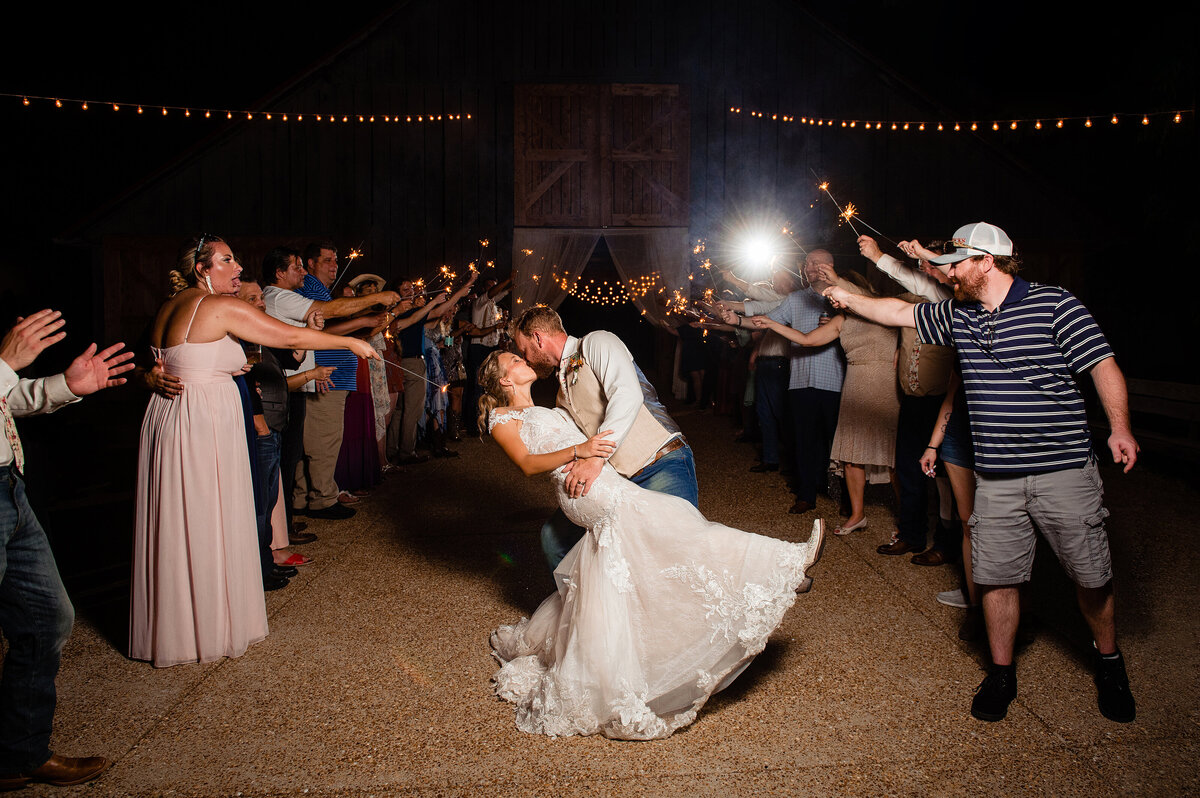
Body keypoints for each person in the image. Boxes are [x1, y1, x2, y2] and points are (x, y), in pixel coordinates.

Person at [824, 221, 1138, 724]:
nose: (947, 273)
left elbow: (1102, 365)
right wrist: (843, 294)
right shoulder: (960, 315)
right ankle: (1000, 673)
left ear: (986, 262)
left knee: (1091, 576)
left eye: (956, 263)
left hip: (1064, 469)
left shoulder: (1055, 304)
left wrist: (1119, 428)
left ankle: (1109, 661)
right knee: (996, 579)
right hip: (996, 476)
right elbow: (900, 311)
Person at [478, 351, 827, 739]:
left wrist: (593, 452)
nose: (523, 358)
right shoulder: (502, 418)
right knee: (678, 527)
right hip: (585, 492)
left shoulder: (549, 408)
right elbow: (527, 463)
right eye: (514, 358)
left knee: (641, 560)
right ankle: (782, 563)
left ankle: (771, 577)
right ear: (505, 380)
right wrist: (581, 451)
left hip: (602, 480)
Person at [130, 235, 378, 668]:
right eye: (228, 260)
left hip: (171, 419)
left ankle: (175, 626)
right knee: (208, 515)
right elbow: (283, 333)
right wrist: (351, 343)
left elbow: (160, 364)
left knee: (181, 516)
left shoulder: (171, 305)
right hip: (203, 423)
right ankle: (207, 627)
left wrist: (221, 365)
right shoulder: (216, 306)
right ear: (203, 268)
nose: (239, 267)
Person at [0, 311, 132, 790]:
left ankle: (19, 753)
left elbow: (3, 400)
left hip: (9, 485)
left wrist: (63, 386)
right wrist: (5, 363)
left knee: (47, 617)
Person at [509, 305, 698, 571]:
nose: (525, 357)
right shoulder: (561, 391)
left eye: (524, 349)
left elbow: (627, 394)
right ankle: (585, 609)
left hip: (660, 462)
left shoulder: (598, 341)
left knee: (677, 558)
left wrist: (595, 459)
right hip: (617, 481)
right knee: (554, 540)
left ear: (539, 338)